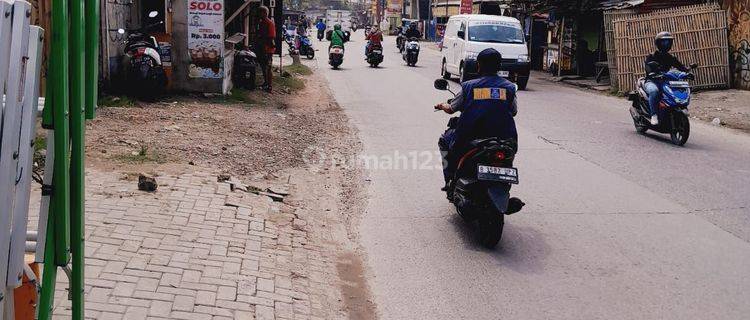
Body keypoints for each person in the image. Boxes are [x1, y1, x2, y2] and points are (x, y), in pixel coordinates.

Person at [435, 48, 518, 187]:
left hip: (470, 137)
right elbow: (513, 111)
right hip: (505, 138)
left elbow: (451, 109)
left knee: (445, 141)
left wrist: (442, 105)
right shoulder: (509, 87)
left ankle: (450, 180)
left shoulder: (469, 86)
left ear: (479, 65)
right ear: (499, 66)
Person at [643, 31, 689, 125]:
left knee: (673, 92)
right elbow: (648, 68)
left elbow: (681, 67)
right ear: (658, 43)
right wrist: (652, 73)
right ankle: (654, 115)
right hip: (652, 81)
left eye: (668, 42)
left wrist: (688, 72)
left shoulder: (670, 57)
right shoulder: (652, 56)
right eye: (664, 42)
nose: (666, 44)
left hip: (664, 81)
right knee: (654, 91)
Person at [255, 6, 276, 92]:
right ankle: (266, 82)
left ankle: (269, 86)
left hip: (267, 49)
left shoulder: (269, 23)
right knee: (263, 66)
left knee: (268, 67)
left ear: (265, 13)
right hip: (262, 48)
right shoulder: (261, 22)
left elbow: (271, 37)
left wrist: (263, 43)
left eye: (260, 12)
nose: (259, 14)